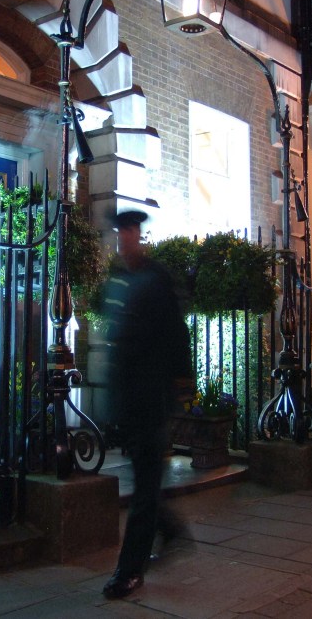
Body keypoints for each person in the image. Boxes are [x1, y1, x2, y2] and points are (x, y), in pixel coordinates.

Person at [100, 209, 192, 600]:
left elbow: (176, 335)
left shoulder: (156, 279)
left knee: (145, 484)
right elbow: (116, 341)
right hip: (128, 397)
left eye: (129, 232)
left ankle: (130, 570)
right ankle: (171, 529)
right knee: (146, 481)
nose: (124, 239)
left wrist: (181, 388)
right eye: (120, 233)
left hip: (152, 397)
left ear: (139, 235)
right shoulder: (119, 281)